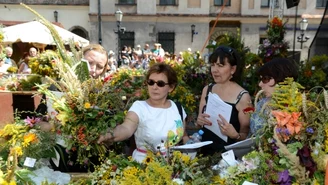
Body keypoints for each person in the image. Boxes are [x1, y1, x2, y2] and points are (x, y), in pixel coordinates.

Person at [98, 63, 189, 162]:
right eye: (151, 82)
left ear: (171, 87)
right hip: (145, 167)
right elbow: (126, 128)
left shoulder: (177, 107)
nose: (154, 87)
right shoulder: (139, 107)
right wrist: (109, 134)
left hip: (175, 167)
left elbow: (183, 136)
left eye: (160, 84)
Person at [196, 46, 251, 156]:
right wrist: (199, 121)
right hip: (204, 154)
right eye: (212, 65)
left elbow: (247, 135)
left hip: (228, 159)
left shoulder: (243, 97)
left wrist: (235, 135)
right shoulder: (207, 90)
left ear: (233, 69)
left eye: (220, 66)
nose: (214, 70)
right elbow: (199, 124)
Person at [249, 58, 298, 136]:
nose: (260, 84)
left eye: (265, 79)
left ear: (281, 78)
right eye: (260, 79)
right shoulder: (261, 104)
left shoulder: (297, 106)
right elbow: (252, 135)